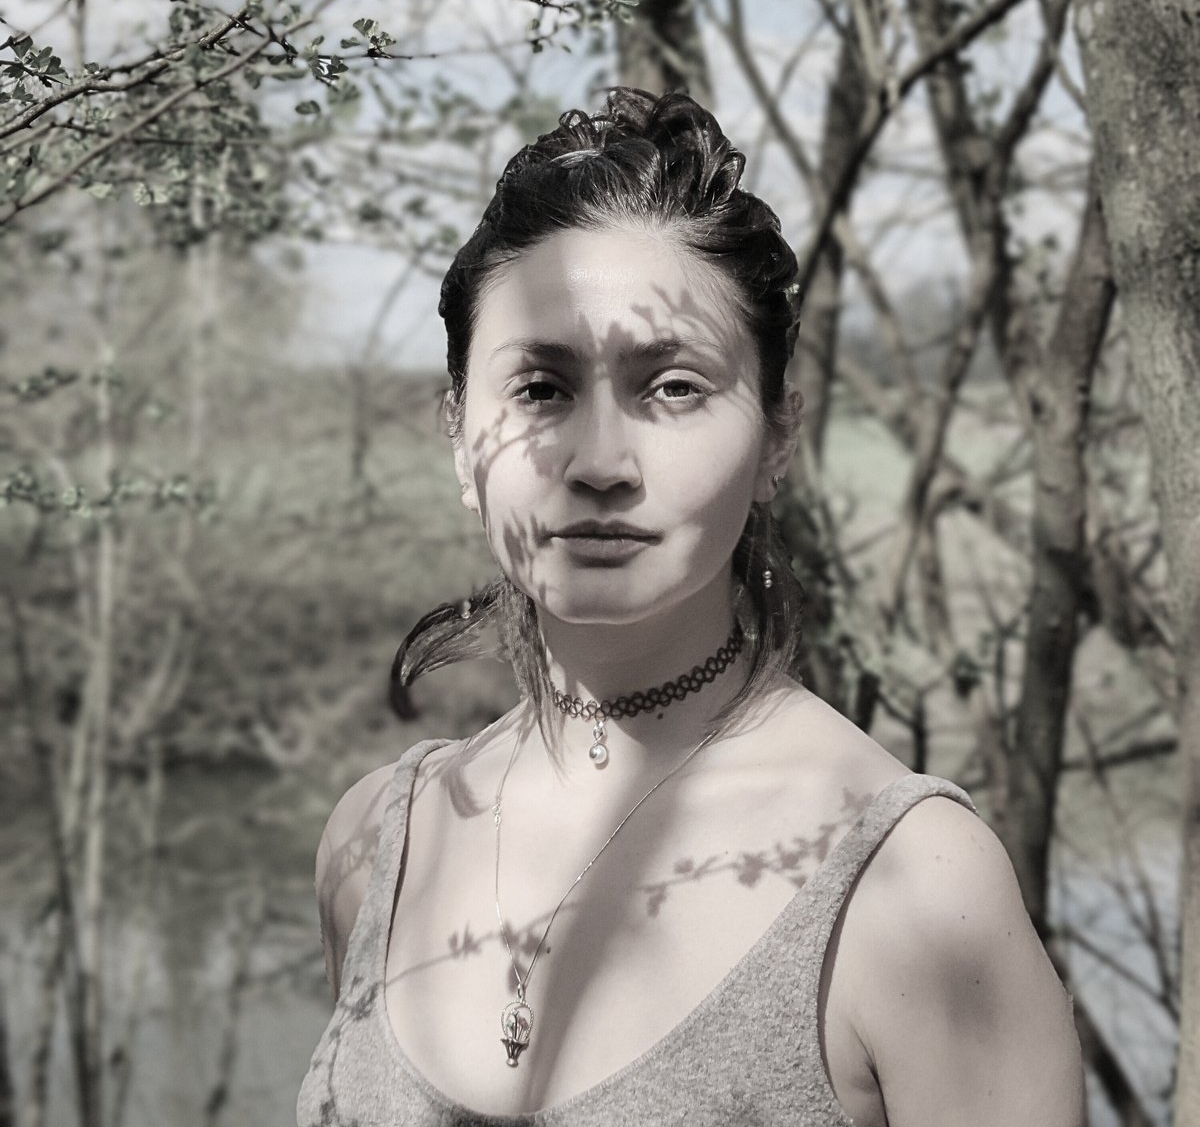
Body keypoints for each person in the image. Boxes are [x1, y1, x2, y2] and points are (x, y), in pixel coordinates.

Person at [297, 89, 1086, 1126]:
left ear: (777, 437)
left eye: (671, 386)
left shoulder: (915, 891)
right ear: (460, 435)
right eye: (540, 388)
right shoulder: (375, 849)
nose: (600, 462)